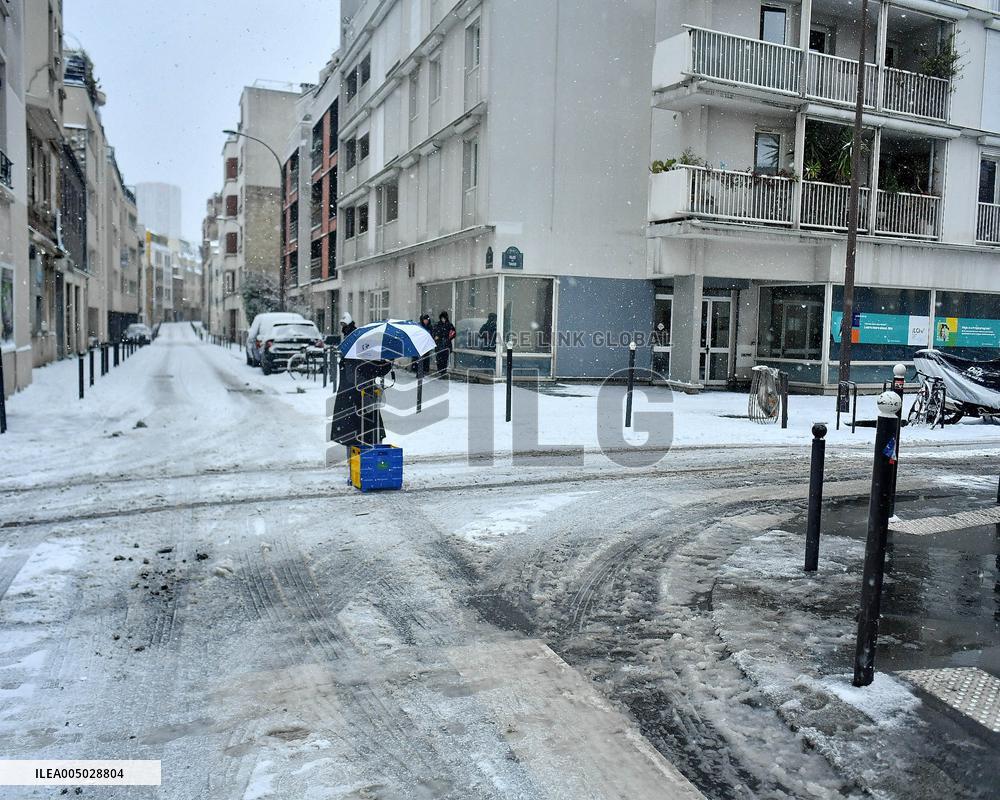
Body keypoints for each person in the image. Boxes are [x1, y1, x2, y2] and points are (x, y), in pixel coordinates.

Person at [433, 311, 456, 375]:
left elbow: (453, 333)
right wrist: (435, 336)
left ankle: (443, 372)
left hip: (446, 345)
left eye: (444, 318)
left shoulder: (449, 325)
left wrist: (449, 337)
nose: (443, 319)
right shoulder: (437, 325)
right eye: (442, 318)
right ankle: (440, 371)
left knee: (444, 360)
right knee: (439, 360)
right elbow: (434, 333)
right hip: (439, 345)